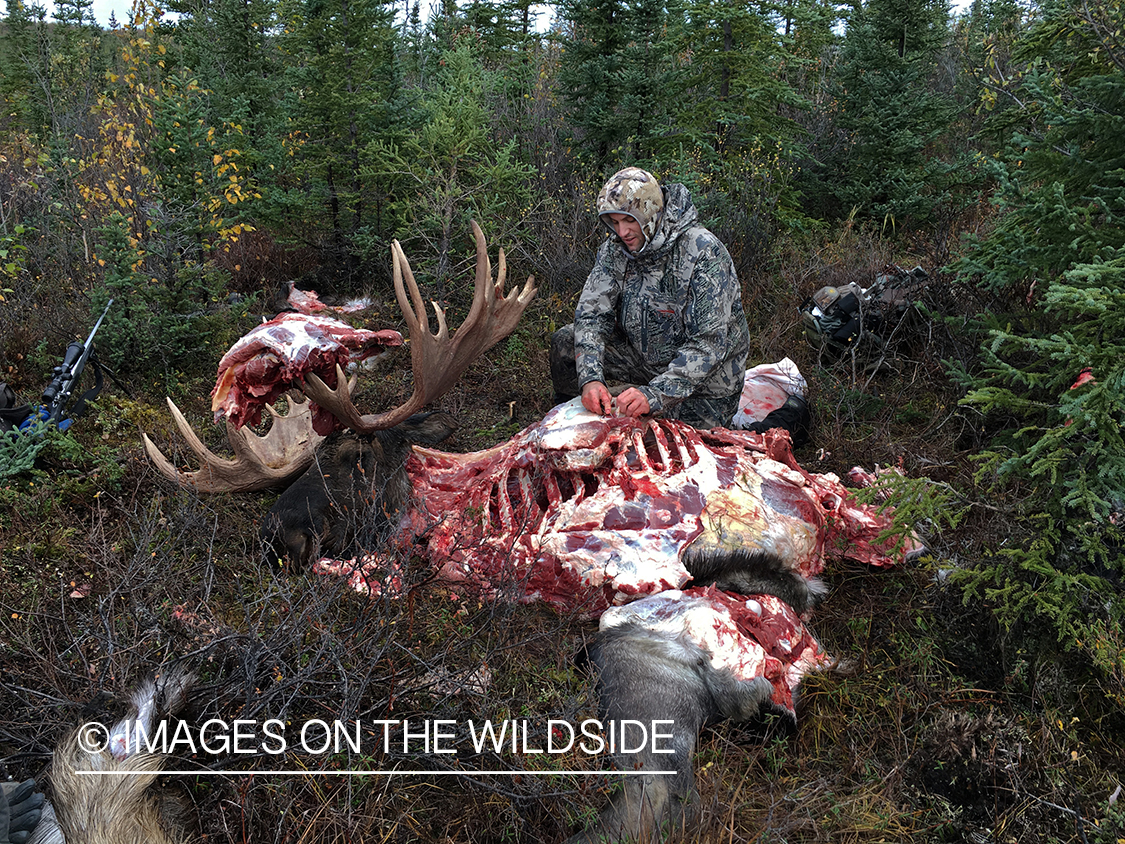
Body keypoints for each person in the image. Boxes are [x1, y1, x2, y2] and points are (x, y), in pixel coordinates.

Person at [550, 167, 751, 430]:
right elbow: (592, 314)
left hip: (705, 386)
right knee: (566, 342)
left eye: (629, 221)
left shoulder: (704, 252)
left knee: (678, 453)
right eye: (614, 222)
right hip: (644, 362)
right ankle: (569, 423)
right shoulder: (616, 250)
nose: (622, 232)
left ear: (649, 212)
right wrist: (590, 379)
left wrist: (654, 395)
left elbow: (709, 345)